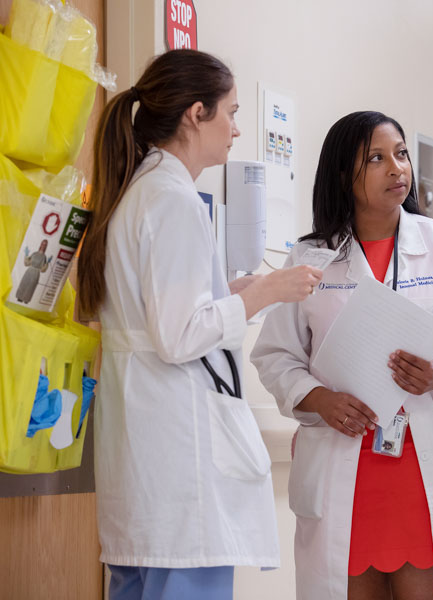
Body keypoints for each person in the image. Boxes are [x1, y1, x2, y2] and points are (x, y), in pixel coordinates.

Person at [76, 49, 322, 600]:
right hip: (177, 471)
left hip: (148, 467)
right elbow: (179, 335)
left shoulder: (141, 192)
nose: (236, 129)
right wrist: (265, 291)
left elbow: (159, 315)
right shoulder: (172, 200)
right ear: (196, 113)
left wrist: (231, 295)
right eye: (231, 113)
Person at [250, 111, 433, 600]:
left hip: (425, 474)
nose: (397, 168)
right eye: (377, 158)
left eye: (402, 154)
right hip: (345, 471)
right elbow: (275, 355)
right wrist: (316, 396)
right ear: (344, 173)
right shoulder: (310, 257)